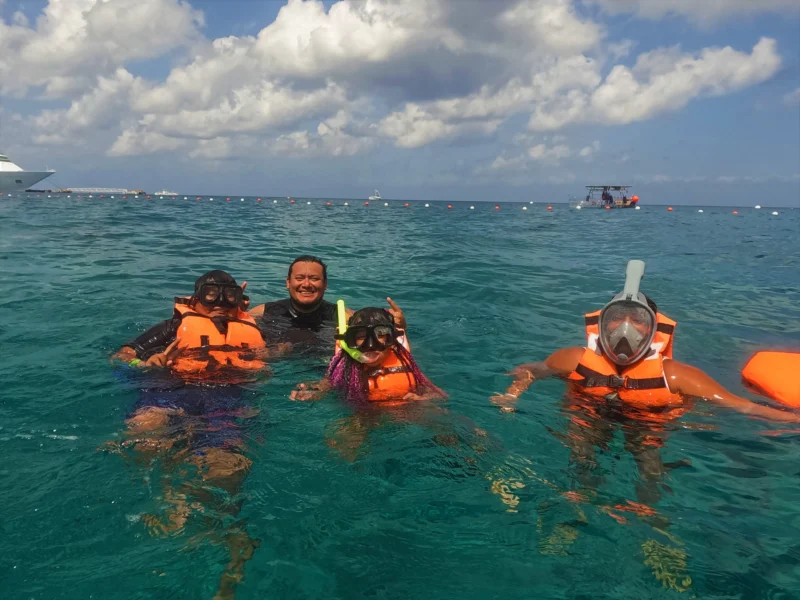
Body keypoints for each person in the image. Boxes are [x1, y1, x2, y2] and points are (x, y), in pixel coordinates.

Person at [492, 260, 800, 504]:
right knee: (581, 452)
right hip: (588, 411)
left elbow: (742, 406)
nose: (625, 328)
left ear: (653, 330)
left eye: (638, 320)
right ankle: (581, 500)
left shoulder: (675, 376)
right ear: (602, 324)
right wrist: (512, 394)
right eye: (617, 318)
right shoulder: (574, 359)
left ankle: (649, 517)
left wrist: (792, 420)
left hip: (647, 419)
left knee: (649, 465)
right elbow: (532, 370)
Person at [109, 270, 269, 600]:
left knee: (225, 469)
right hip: (171, 391)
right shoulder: (172, 327)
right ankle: (170, 497)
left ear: (239, 301)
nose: (220, 303)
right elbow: (119, 358)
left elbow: (279, 356)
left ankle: (228, 542)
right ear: (195, 300)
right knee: (146, 436)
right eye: (211, 296)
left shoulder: (251, 330)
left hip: (226, 399)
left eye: (229, 297)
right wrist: (146, 365)